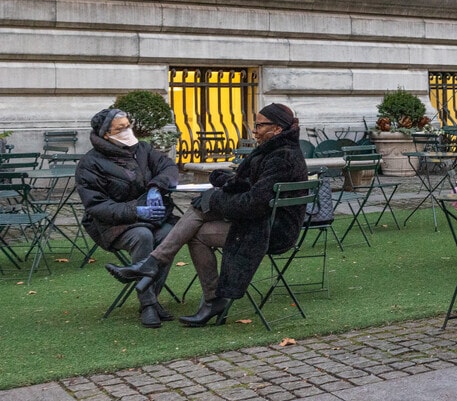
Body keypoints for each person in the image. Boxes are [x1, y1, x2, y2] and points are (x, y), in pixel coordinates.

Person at [105, 103, 308, 327]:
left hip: (271, 231)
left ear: (277, 129)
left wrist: (216, 199)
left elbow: (254, 204)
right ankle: (166, 272)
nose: (254, 131)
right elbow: (250, 187)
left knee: (201, 212)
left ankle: (170, 274)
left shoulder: (282, 157)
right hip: (261, 223)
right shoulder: (274, 150)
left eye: (259, 126)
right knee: (200, 215)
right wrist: (226, 181)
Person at [75, 108, 179, 328]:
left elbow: (168, 167)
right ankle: (149, 304)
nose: (126, 131)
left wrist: (155, 188)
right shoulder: (90, 163)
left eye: (128, 126)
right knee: (143, 236)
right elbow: (97, 207)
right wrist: (137, 211)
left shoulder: (142, 149)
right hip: (113, 225)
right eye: (120, 128)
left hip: (154, 218)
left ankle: (149, 293)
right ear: (106, 134)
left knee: (170, 234)